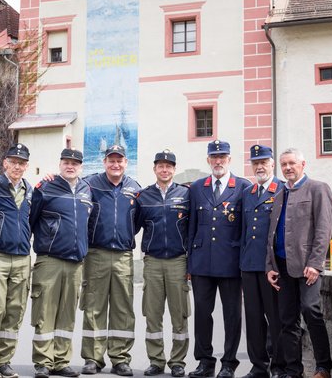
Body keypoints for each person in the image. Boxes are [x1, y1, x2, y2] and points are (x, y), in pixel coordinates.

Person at [265, 148, 332, 378]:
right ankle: (294, 370)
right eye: (284, 164)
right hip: (283, 267)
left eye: (292, 163)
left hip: (307, 267)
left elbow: (324, 229)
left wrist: (316, 263)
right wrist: (270, 266)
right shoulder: (279, 195)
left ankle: (323, 366)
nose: (287, 168)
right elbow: (271, 234)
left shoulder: (318, 188)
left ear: (303, 164)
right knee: (288, 320)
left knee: (311, 310)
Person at [187, 140, 249, 378]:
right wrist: (190, 262)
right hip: (202, 262)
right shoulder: (197, 187)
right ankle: (204, 361)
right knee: (202, 314)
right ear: (208, 160)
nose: (218, 161)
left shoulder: (242, 187)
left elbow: (244, 228)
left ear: (229, 159)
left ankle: (229, 363)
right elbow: (191, 226)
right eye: (214, 157)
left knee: (232, 315)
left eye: (222, 156)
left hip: (231, 263)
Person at [30, 148, 93, 378]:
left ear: (81, 167)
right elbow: (30, 220)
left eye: (75, 163)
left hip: (75, 262)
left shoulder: (87, 189)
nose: (71, 166)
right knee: (45, 311)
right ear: (60, 164)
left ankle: (61, 360)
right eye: (66, 162)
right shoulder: (45, 188)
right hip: (50, 260)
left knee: (67, 313)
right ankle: (43, 362)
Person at [80, 145, 141, 377]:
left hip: (124, 255)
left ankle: (120, 358)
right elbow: (69, 185)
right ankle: (93, 359)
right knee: (94, 307)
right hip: (96, 253)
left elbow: (138, 221)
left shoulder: (135, 189)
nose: (115, 164)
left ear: (126, 162)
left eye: (120, 160)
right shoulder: (90, 184)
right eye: (111, 160)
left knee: (123, 308)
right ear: (104, 162)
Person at [0, 144, 34, 378]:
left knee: (15, 311)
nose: (17, 166)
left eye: (22, 163)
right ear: (5, 163)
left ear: (26, 166)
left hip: (22, 258)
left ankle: (5, 360)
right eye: (14, 161)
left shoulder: (31, 191)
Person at [134, 150, 190, 378]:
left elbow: (193, 229)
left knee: (180, 315)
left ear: (174, 169)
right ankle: (156, 361)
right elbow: (133, 226)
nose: (165, 170)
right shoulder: (143, 197)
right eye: (160, 166)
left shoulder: (186, 195)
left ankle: (178, 362)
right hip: (153, 261)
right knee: (153, 313)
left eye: (169, 166)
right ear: (155, 169)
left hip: (178, 261)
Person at [240, 145, 284, 378]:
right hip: (249, 265)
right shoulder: (248, 193)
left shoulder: (282, 190)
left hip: (271, 267)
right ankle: (258, 366)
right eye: (255, 162)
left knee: (275, 318)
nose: (259, 166)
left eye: (264, 162)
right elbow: (244, 231)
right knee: (254, 319)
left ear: (272, 164)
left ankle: (278, 366)